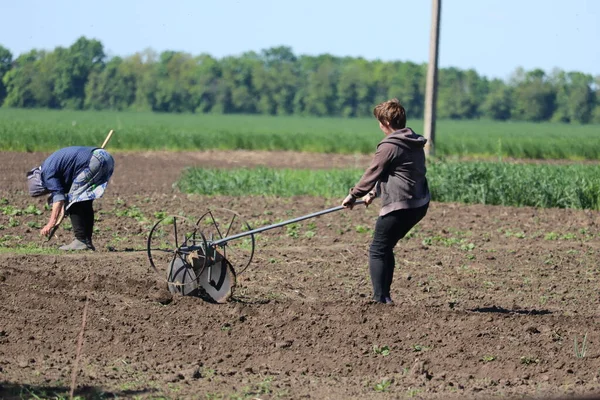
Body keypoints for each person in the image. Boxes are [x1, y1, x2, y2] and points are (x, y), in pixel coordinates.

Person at [342, 98, 430, 305]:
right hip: (418, 203)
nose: (379, 126)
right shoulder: (413, 142)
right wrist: (373, 192)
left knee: (378, 249)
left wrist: (353, 194)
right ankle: (385, 297)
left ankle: (380, 299)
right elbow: (395, 171)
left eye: (380, 122)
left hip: (401, 205)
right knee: (385, 247)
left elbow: (373, 171)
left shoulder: (389, 145)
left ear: (386, 123)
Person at [26, 146, 115, 251]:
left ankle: (81, 241)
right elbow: (62, 195)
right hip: (105, 158)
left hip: (93, 161)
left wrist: (51, 223)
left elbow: (58, 199)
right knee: (84, 202)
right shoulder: (50, 167)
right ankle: (86, 242)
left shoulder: (47, 174)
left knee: (74, 201)